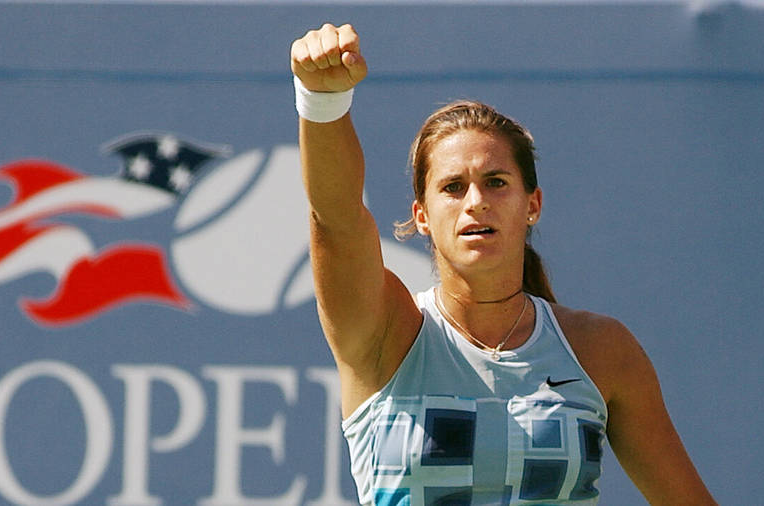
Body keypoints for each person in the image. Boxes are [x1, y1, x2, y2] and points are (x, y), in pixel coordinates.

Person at [291, 22, 716, 506]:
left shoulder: (603, 350)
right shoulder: (383, 331)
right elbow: (336, 217)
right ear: (422, 217)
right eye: (453, 187)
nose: (475, 202)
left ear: (532, 204)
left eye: (496, 182)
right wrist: (322, 103)